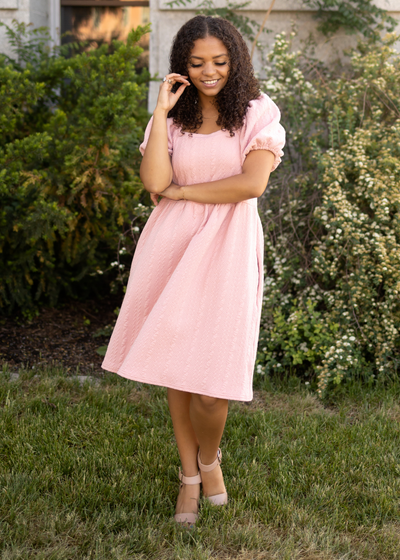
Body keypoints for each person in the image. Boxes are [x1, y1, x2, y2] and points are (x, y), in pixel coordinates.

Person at [102, 14, 285, 525]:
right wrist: (160, 111)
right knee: (177, 370)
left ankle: (210, 459)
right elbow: (154, 180)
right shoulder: (174, 115)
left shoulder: (255, 111)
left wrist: (182, 192)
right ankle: (188, 477)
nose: (209, 72)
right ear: (182, 64)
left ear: (236, 61)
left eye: (220, 62)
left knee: (212, 384)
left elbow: (251, 185)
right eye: (198, 62)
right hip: (172, 246)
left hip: (228, 247)